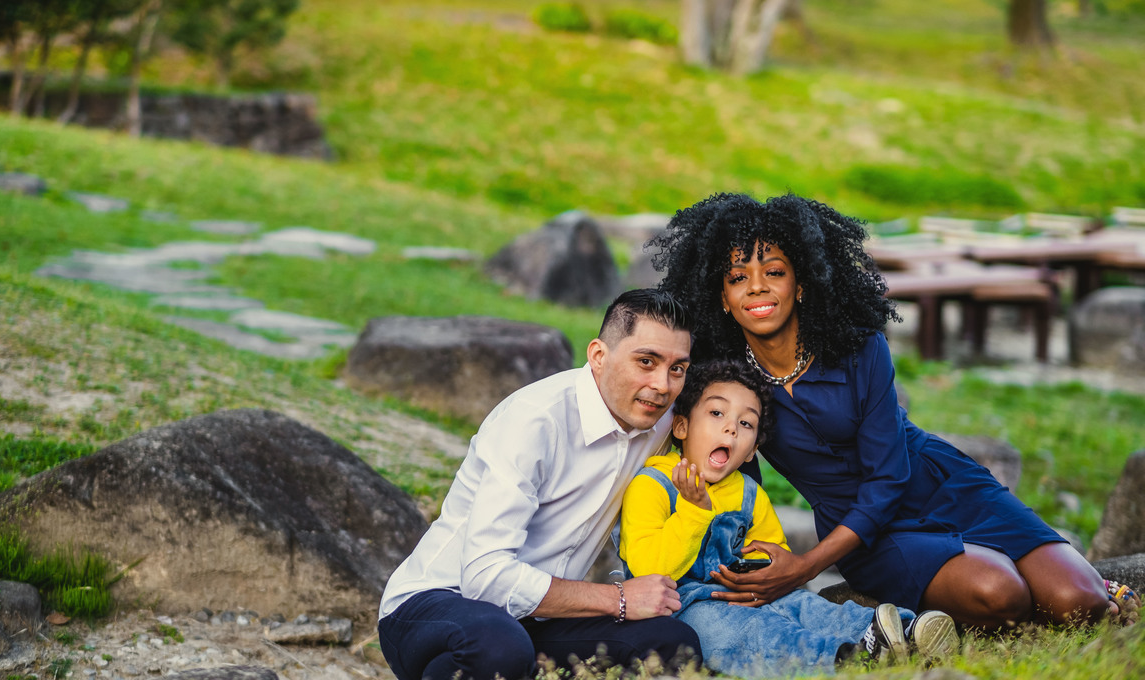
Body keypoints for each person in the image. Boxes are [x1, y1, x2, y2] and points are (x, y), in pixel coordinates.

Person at [650, 192, 1116, 629]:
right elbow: (734, 478)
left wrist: (806, 568)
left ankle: (1051, 574)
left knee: (1082, 602)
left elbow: (888, 478)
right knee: (1000, 595)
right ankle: (1001, 573)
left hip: (938, 485)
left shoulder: (860, 346)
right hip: (866, 536)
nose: (757, 288)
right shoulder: (729, 383)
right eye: (737, 278)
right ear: (724, 299)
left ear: (802, 283)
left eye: (774, 271)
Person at [378, 289, 704, 680]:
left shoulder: (660, 421)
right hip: (437, 606)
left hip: (541, 619)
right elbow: (485, 578)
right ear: (599, 356)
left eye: (677, 369)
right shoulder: (535, 419)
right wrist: (617, 599)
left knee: (672, 644)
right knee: (498, 647)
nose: (663, 385)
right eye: (646, 362)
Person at [619, 358, 959, 677]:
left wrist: (763, 571)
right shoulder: (653, 486)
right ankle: (843, 657)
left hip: (747, 593)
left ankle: (902, 630)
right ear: (681, 425)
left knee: (803, 607)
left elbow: (772, 552)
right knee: (744, 632)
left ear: (753, 449)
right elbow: (650, 570)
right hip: (684, 606)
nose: (731, 429)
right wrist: (693, 510)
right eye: (717, 413)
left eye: (746, 422)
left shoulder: (748, 493)